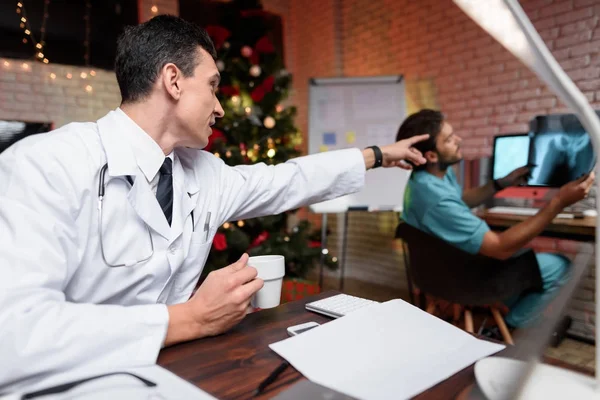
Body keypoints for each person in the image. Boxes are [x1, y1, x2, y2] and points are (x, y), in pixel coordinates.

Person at [0, 15, 429, 392]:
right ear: (172, 80)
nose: (220, 107)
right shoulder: (44, 165)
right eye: (212, 87)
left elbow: (288, 180)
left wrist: (376, 155)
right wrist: (191, 319)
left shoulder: (203, 174)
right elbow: (14, 335)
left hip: (174, 373)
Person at [398, 109, 594, 331]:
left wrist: (500, 183)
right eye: (450, 139)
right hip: (467, 280)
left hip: (437, 275)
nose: (458, 140)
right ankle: (506, 329)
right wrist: (558, 202)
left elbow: (461, 199)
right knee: (562, 265)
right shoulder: (435, 198)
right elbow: (500, 248)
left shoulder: (429, 177)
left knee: (526, 266)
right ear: (432, 155)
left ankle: (509, 318)